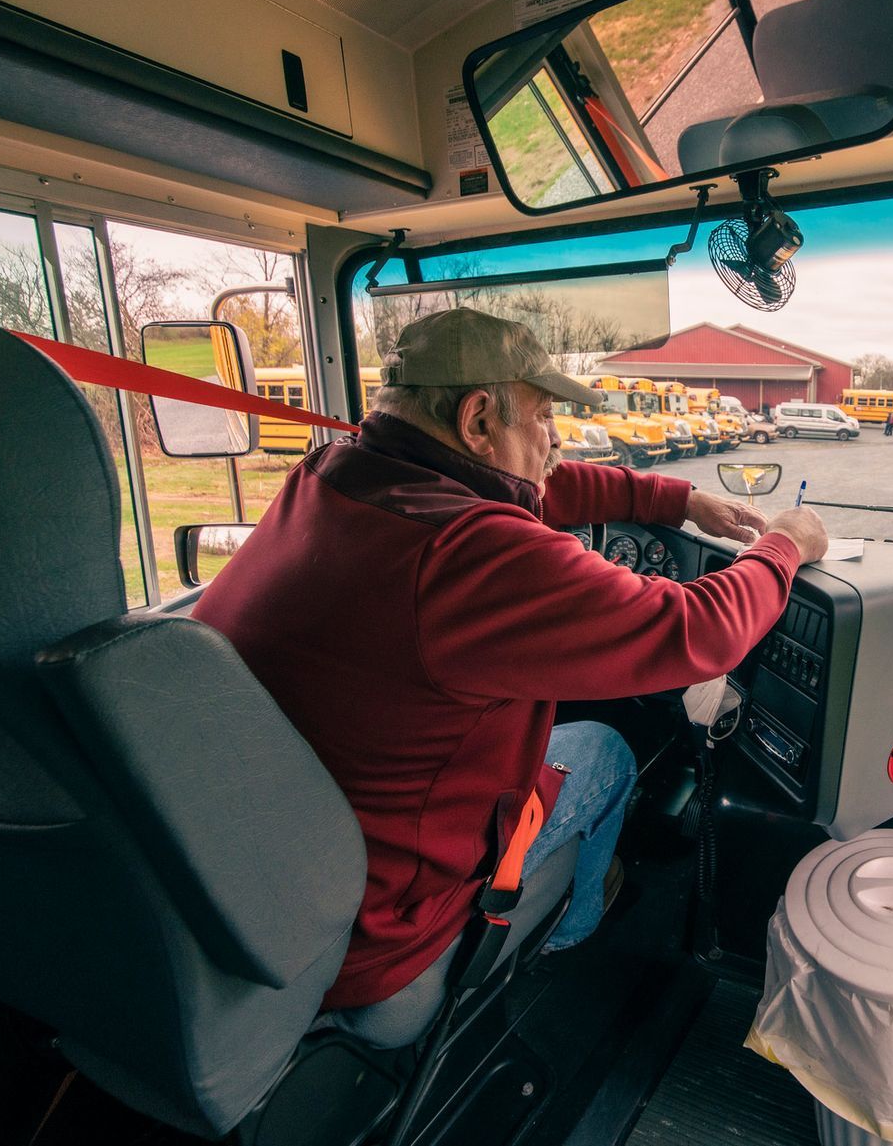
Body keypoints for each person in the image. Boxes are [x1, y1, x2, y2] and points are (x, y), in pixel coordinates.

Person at [193, 306, 827, 1044]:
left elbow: (536, 489)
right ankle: (568, 925)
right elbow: (701, 630)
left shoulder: (332, 475)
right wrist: (784, 543)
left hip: (262, 877)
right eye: (545, 415)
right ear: (477, 420)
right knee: (608, 751)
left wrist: (673, 498)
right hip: (383, 935)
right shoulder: (476, 555)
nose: (556, 437)